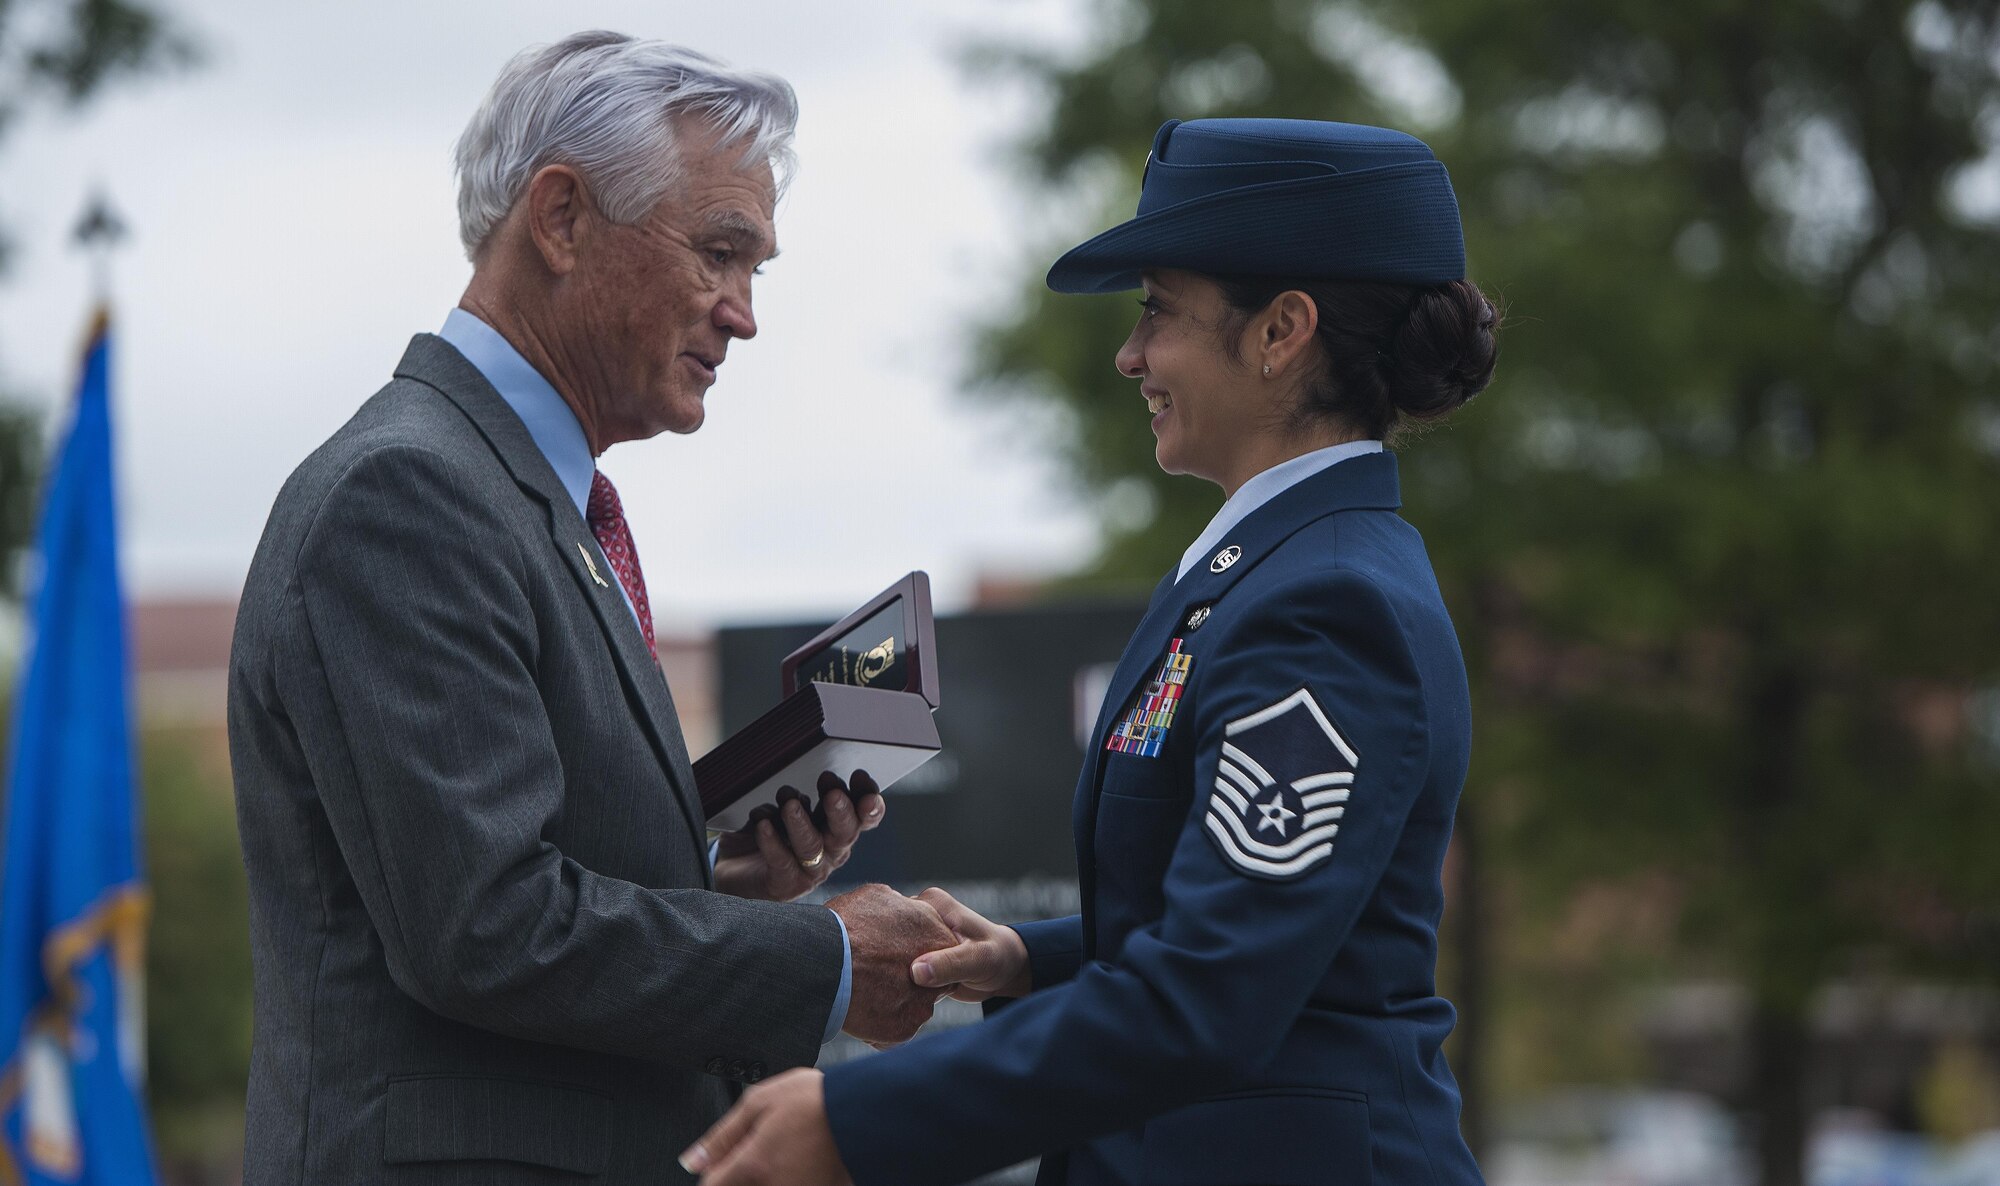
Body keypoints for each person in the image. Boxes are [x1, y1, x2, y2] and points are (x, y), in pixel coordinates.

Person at [681, 117, 1501, 1186]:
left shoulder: (1324, 602)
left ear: (1280, 330)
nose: (1129, 354)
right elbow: (1250, 918)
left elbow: (1213, 993)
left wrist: (860, 1118)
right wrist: (1027, 957)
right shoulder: (1264, 571)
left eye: (1158, 310)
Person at [228, 32, 954, 1186]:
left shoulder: (512, 495)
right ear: (561, 218)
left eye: (757, 267)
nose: (744, 313)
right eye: (721, 253)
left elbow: (489, 886)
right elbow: (484, 928)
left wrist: (725, 888)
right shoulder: (408, 492)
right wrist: (818, 956)